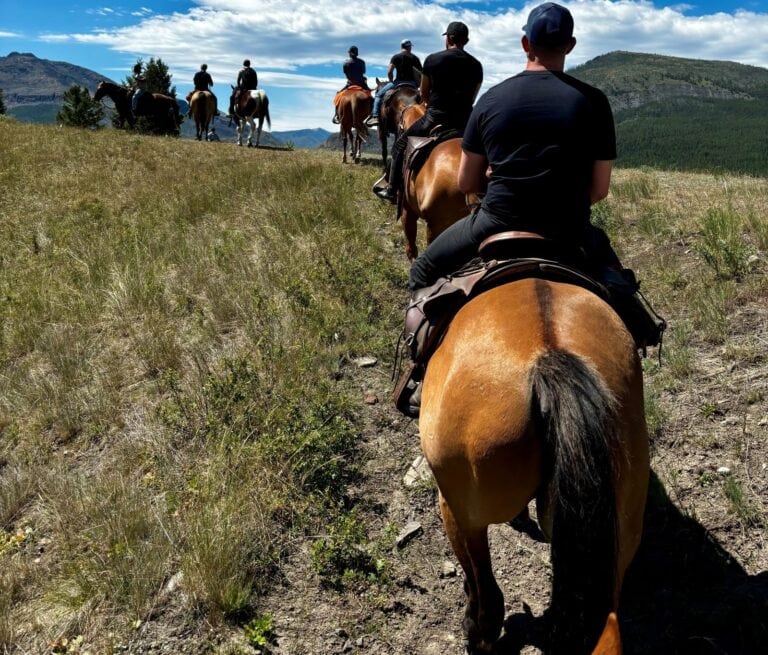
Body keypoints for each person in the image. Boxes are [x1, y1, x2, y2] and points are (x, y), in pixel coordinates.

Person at [395, 2, 664, 417]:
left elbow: (467, 183)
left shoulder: (493, 100)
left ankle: (420, 372)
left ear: (525, 43)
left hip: (494, 222)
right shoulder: (594, 102)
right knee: (623, 291)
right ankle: (641, 337)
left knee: (423, 272)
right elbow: (599, 190)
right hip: (570, 229)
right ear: (570, 46)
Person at [375, 22, 482, 203]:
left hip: (435, 117)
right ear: (467, 40)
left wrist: (434, 105)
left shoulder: (432, 60)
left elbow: (424, 93)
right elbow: (473, 97)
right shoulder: (476, 65)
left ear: (448, 38)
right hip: (465, 120)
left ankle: (392, 190)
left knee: (400, 145)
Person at [366, 39, 423, 127]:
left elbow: (389, 71)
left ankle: (375, 116)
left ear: (401, 47)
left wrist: (391, 80)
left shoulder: (396, 57)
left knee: (378, 95)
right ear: (410, 47)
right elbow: (421, 73)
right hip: (412, 83)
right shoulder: (415, 58)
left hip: (398, 82)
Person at [333, 46, 369, 124]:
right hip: (361, 84)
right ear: (357, 53)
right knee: (371, 96)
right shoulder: (362, 62)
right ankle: (373, 114)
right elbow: (363, 72)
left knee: (338, 95)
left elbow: (346, 74)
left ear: (349, 53)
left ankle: (337, 115)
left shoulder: (346, 63)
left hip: (350, 84)